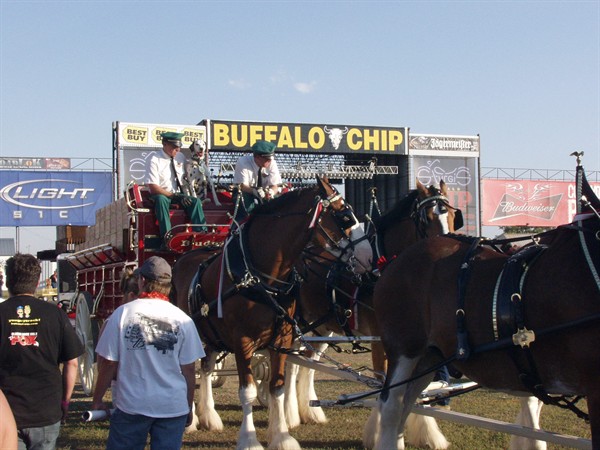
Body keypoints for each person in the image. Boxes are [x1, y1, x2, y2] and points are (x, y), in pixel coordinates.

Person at [91, 256, 205, 450]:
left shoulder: (122, 314)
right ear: (169, 285)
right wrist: (187, 406)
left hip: (132, 406)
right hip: (172, 406)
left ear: (142, 281)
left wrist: (97, 400)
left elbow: (108, 363)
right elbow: (188, 370)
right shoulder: (183, 320)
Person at [0, 253, 84, 450]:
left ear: (8, 279)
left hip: (7, 413)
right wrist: (65, 401)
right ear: (37, 280)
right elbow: (72, 362)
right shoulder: (55, 314)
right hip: (46, 411)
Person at [146, 131, 207, 249]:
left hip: (179, 194)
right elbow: (153, 188)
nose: (177, 150)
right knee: (161, 200)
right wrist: (172, 196)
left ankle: (202, 234)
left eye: (179, 147)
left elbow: (188, 177)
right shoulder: (154, 159)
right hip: (161, 194)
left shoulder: (180, 157)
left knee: (195, 202)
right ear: (164, 144)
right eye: (174, 147)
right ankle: (167, 238)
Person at [233, 140, 282, 218]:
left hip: (265, 193)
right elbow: (242, 186)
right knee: (246, 205)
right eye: (267, 159)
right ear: (257, 157)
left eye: (270, 159)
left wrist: (271, 192)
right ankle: (240, 226)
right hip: (245, 192)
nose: (269, 161)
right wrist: (254, 191)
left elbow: (275, 185)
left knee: (279, 204)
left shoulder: (272, 162)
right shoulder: (243, 162)